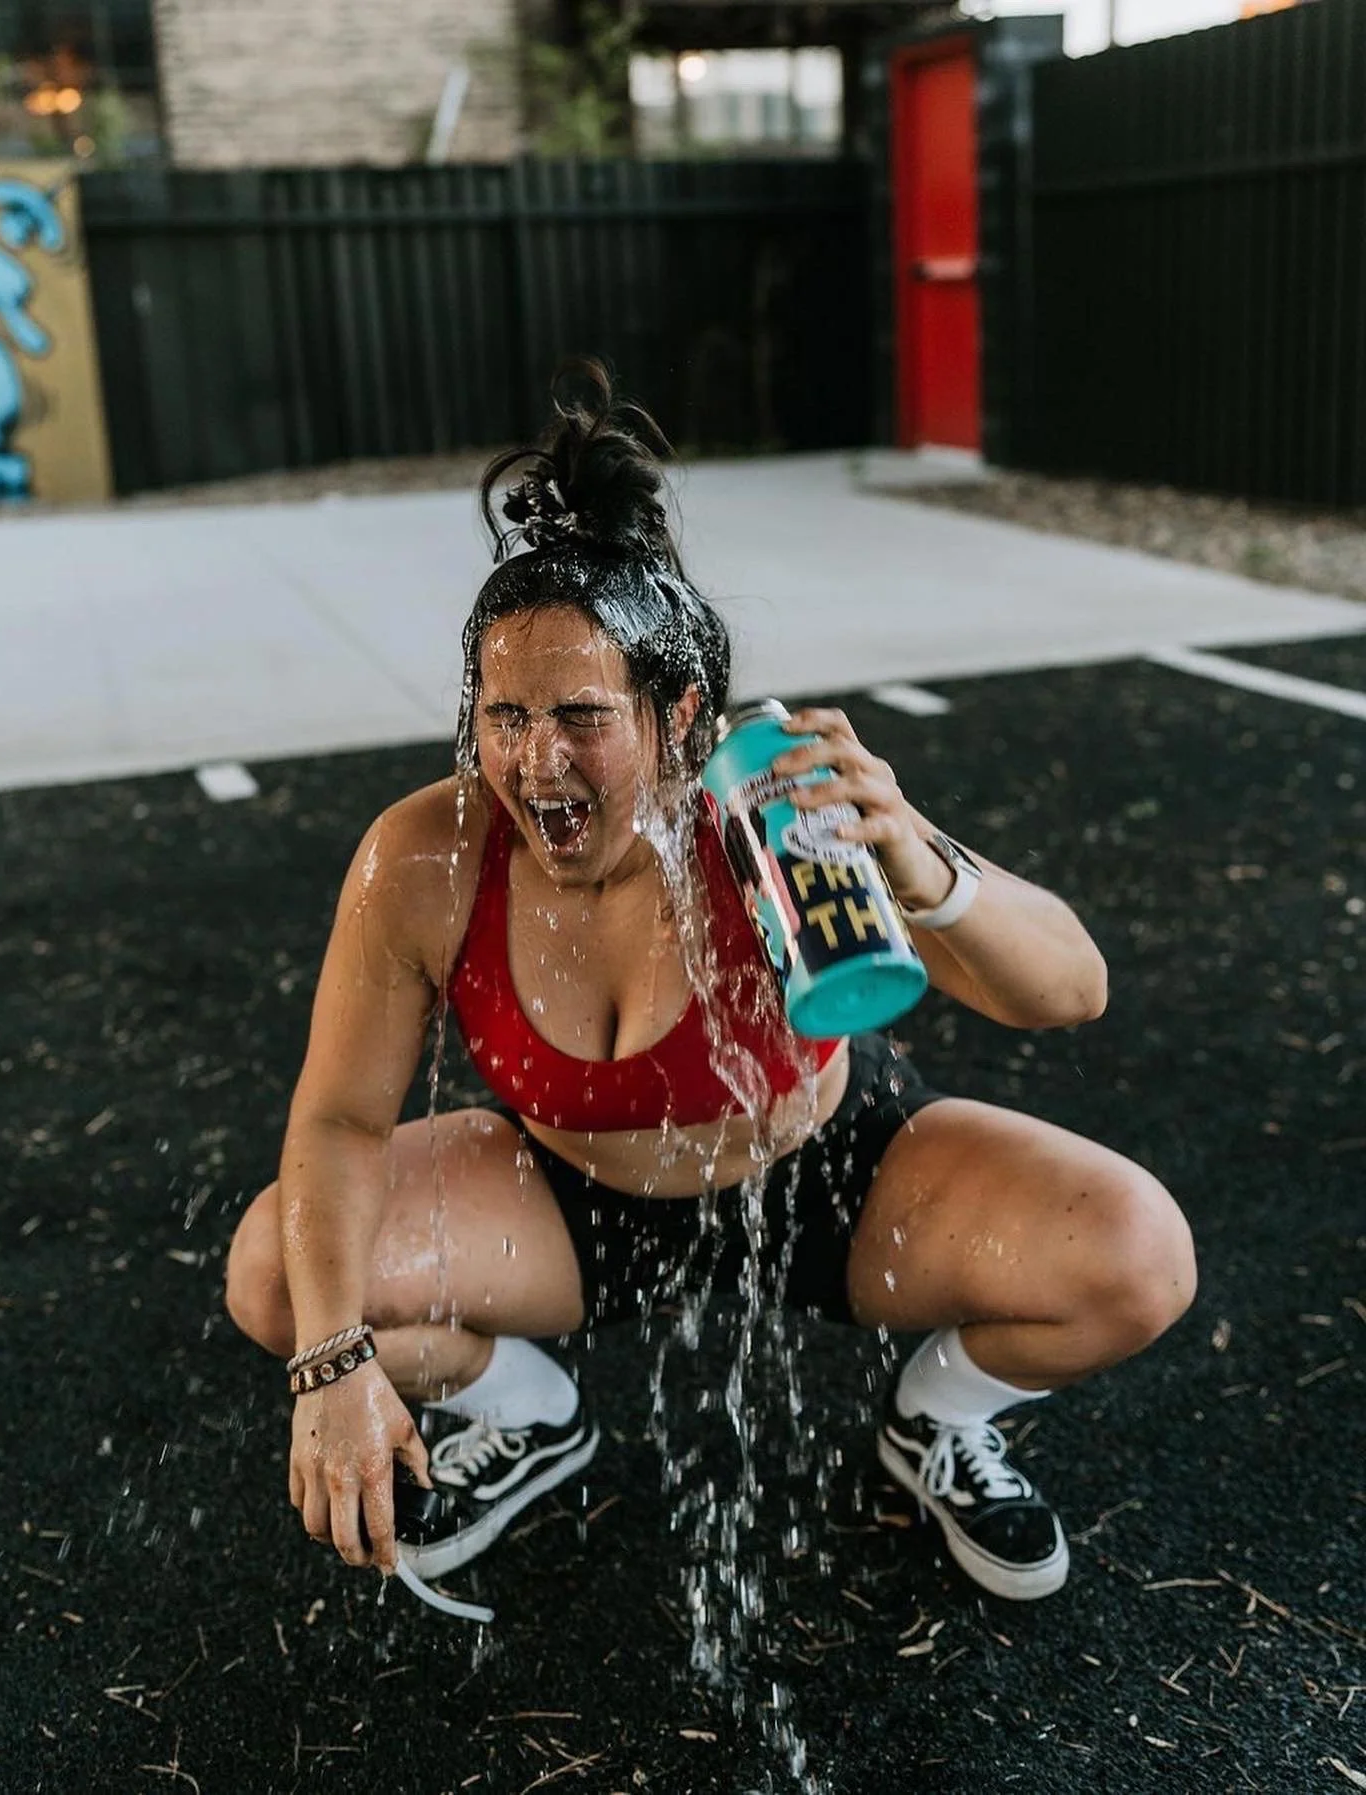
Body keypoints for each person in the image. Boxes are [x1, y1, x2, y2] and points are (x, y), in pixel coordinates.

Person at [225, 362, 1196, 1615]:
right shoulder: (426, 855)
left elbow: (1071, 988)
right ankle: (525, 1414)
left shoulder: (769, 809)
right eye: (504, 715)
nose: (535, 760)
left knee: (1136, 1256)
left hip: (827, 1180)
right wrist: (331, 1365)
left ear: (676, 713)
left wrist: (918, 860)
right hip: (568, 1196)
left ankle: (938, 1422)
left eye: (581, 716)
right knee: (278, 1275)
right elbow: (341, 1121)